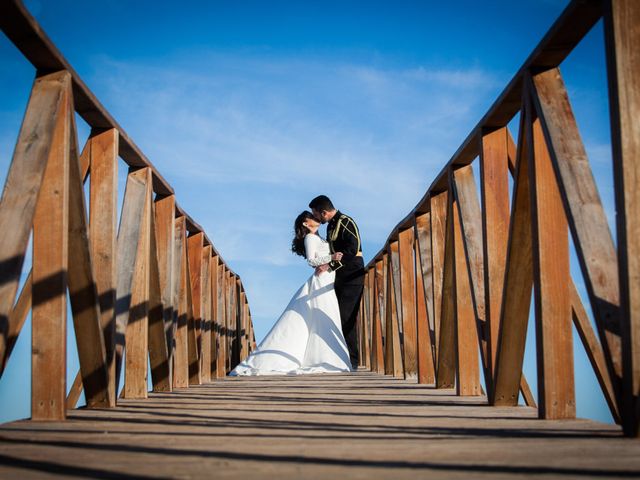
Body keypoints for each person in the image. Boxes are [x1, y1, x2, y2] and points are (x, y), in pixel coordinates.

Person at [230, 211, 352, 376]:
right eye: (312, 217)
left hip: (328, 278)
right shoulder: (310, 238)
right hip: (321, 279)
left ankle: (323, 357)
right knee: (322, 315)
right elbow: (311, 261)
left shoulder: (319, 238)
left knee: (324, 316)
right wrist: (331, 257)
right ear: (305, 223)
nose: (316, 218)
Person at [309, 195, 364, 370]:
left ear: (324, 212)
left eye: (316, 214)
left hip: (351, 275)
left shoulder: (345, 221)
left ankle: (353, 362)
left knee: (347, 318)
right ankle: (346, 359)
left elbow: (352, 249)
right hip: (338, 277)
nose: (316, 218)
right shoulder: (331, 225)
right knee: (339, 316)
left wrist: (330, 264)